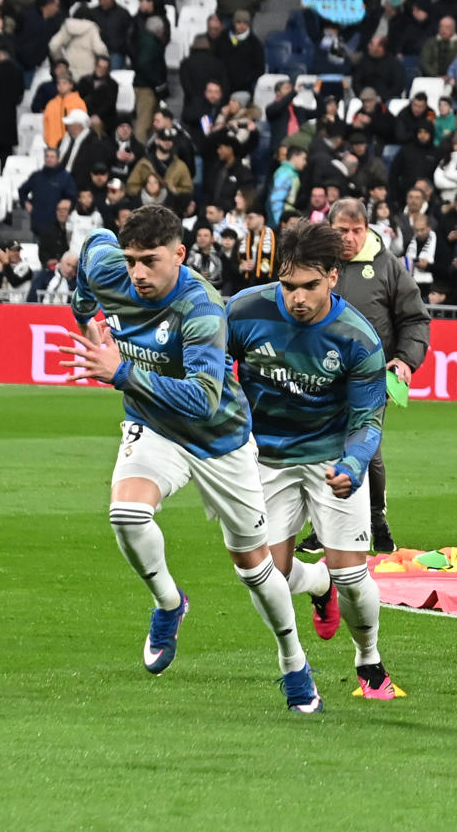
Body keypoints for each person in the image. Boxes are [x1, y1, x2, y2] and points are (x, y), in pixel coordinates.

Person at [61, 206, 321, 713]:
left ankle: (293, 660)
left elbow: (202, 399)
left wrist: (119, 373)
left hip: (218, 439)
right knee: (127, 515)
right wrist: (84, 314)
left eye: (150, 262)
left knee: (254, 566)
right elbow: (93, 247)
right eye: (132, 261)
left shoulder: (201, 307)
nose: (137, 273)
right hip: (155, 428)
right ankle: (169, 603)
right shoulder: (109, 265)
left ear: (179, 255)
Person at [225, 223, 399, 700]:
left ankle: (369, 659)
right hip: (267, 459)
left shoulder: (357, 339)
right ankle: (315, 581)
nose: (297, 298)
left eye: (310, 286)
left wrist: (354, 465)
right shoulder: (243, 311)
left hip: (332, 461)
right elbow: (213, 366)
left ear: (333, 278)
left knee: (353, 578)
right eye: (288, 286)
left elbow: (368, 419)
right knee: (268, 578)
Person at [314, 199, 432, 553]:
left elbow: (415, 318)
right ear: (329, 228)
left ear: (368, 230)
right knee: (319, 447)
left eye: (356, 231)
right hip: (319, 374)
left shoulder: (386, 266)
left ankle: (376, 518)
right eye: (341, 231)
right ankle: (323, 528)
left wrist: (405, 360)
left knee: (367, 446)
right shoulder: (315, 263)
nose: (348, 238)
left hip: (371, 376)